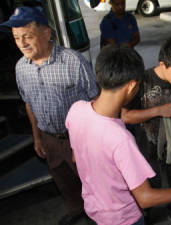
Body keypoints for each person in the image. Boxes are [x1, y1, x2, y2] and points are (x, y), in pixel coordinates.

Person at [65, 44, 171, 225]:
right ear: (132, 86)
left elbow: (76, 158)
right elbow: (145, 198)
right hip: (124, 219)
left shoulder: (76, 110)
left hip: (95, 209)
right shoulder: (120, 139)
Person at [2, 6, 99, 225]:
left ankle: (98, 215)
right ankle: (76, 211)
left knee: (92, 181)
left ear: (46, 33)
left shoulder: (72, 61)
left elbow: (95, 102)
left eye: (27, 36)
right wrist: (37, 137)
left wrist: (83, 141)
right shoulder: (21, 68)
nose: (22, 43)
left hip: (78, 138)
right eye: (17, 38)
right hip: (48, 138)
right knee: (63, 179)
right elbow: (29, 104)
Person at [121, 36, 171, 224]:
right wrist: (157, 111)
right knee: (151, 185)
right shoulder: (142, 82)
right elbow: (125, 116)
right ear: (163, 64)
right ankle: (145, 215)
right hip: (147, 146)